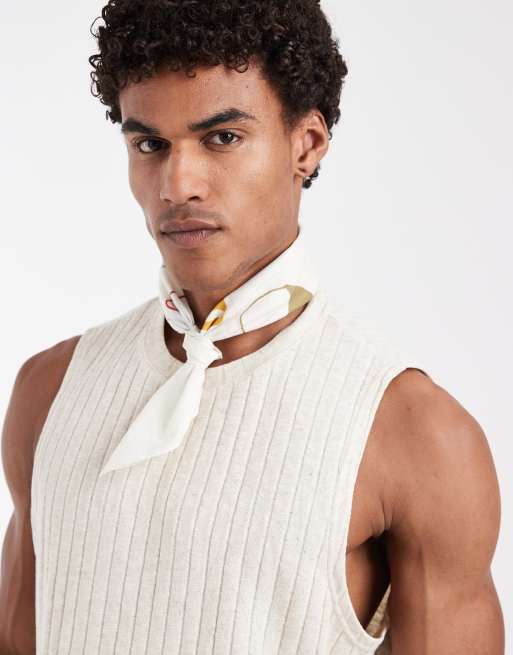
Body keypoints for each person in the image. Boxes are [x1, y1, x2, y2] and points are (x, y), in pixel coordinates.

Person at [0, 1, 504, 653]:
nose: (177, 185)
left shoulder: (415, 434)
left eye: (222, 138)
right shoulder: (50, 391)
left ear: (306, 144)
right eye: (150, 144)